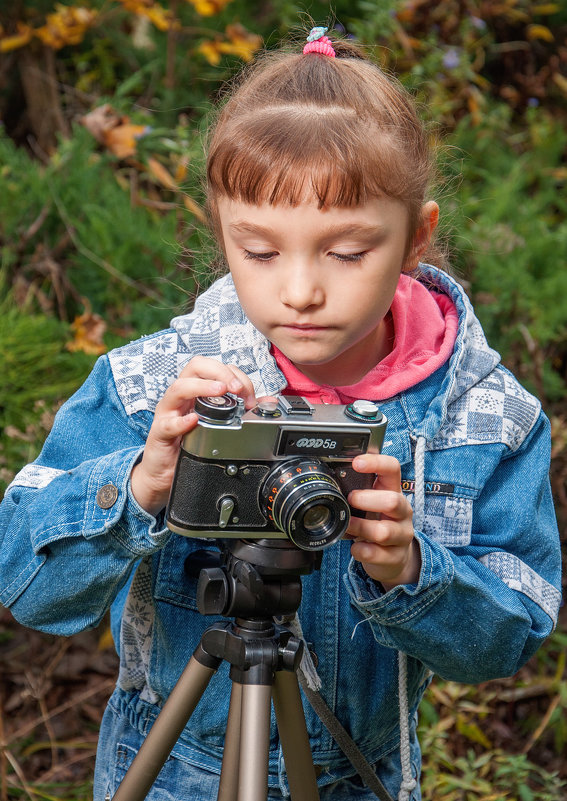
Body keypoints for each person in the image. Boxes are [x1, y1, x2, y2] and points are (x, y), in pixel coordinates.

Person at [0, 27, 561, 801]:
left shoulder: (485, 416)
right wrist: (139, 482)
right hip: (173, 774)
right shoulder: (153, 383)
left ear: (414, 239)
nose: (299, 290)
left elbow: (511, 637)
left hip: (358, 774)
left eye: (345, 251)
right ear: (221, 232)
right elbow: (23, 583)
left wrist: (410, 570)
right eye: (260, 252)